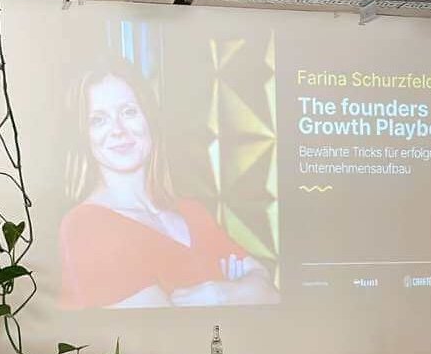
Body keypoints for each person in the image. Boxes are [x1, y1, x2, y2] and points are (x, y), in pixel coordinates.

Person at [60, 60, 279, 308]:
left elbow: (270, 294)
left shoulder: (192, 212)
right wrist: (238, 290)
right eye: (98, 120)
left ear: (149, 119)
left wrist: (219, 295)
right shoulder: (84, 226)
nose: (118, 130)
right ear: (83, 136)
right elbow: (163, 326)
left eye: (129, 112)